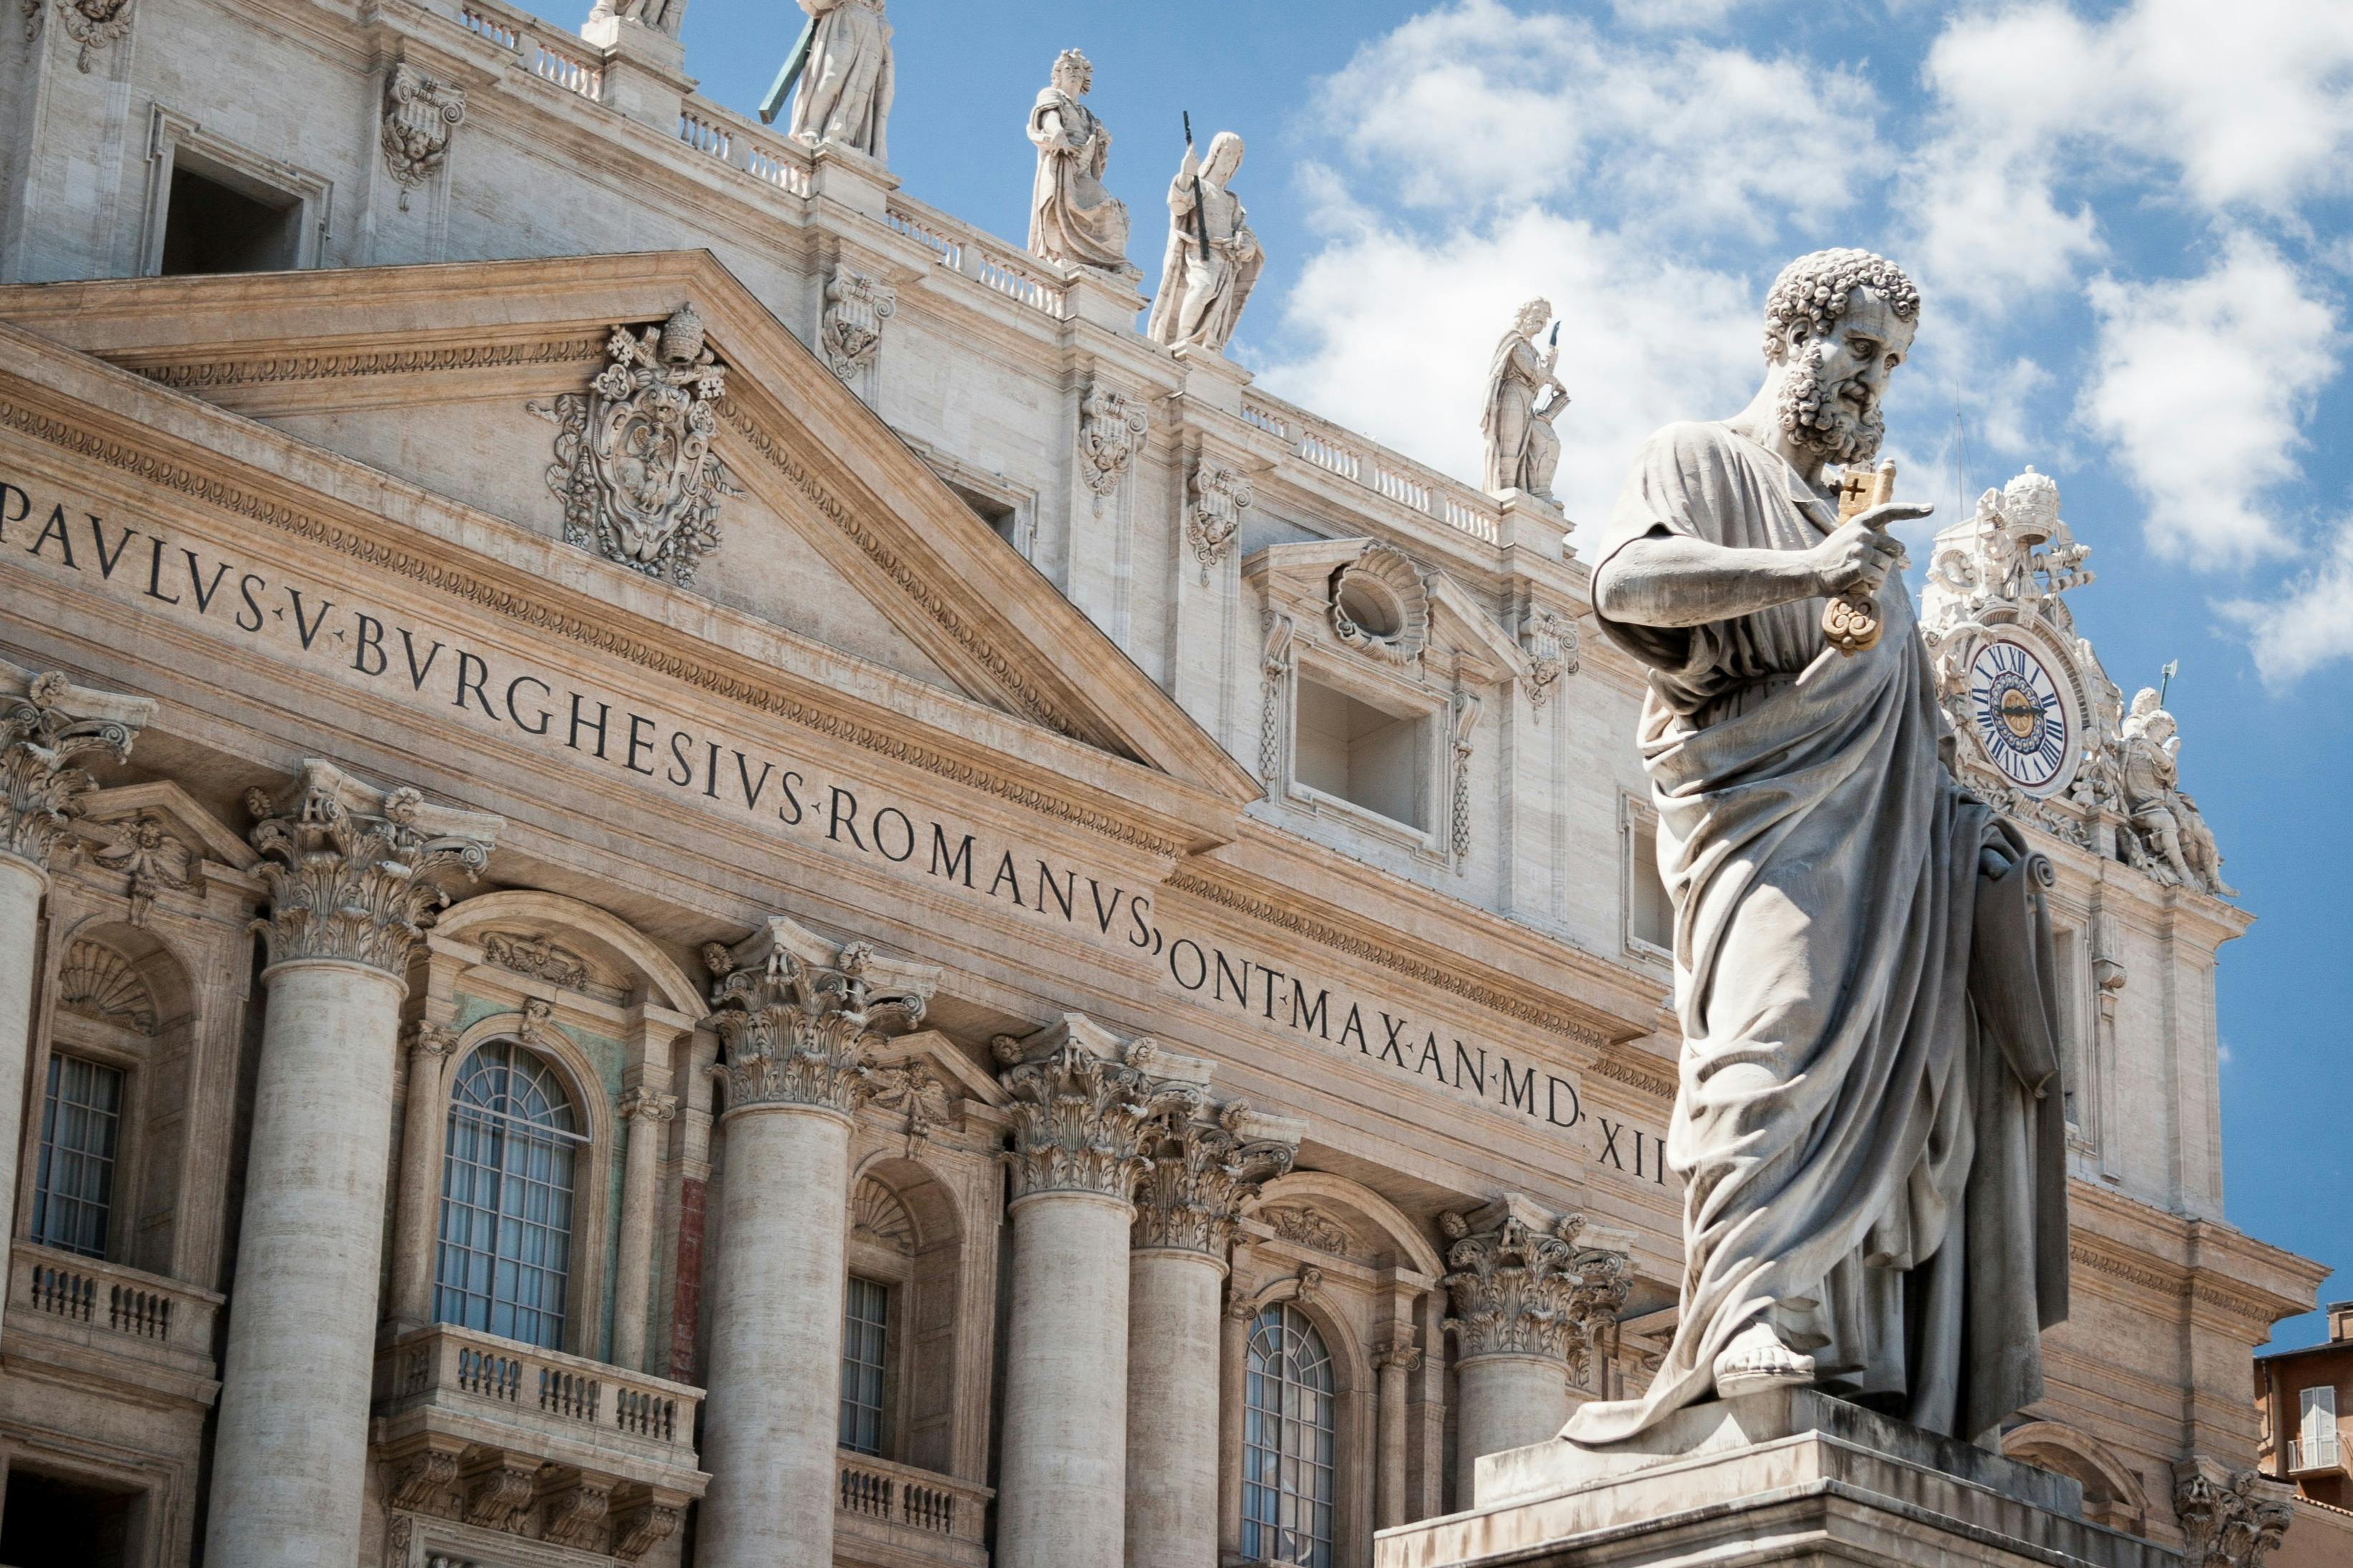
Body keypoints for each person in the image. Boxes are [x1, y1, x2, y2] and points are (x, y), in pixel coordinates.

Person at [1566, 248, 2069, 1449]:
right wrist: (1805, 566)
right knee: (1772, 1038)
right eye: (1854, 347)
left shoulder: (1861, 517)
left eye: (1890, 361)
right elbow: (1626, 581)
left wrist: (1976, 840)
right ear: (1787, 335)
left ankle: (1852, 1345)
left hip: (1896, 864)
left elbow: (1882, 706)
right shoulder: (1699, 459)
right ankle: (1746, 1305)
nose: (1870, 379)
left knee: (1891, 1111)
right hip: (1763, 821)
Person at [1145, 132, 1260, 353]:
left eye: (1236, 157)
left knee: (1214, 300)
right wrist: (1187, 173)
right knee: (1203, 287)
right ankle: (1182, 338)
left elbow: (1242, 230)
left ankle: (1202, 340)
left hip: (1224, 258)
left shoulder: (1231, 200)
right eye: (1227, 153)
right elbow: (1179, 206)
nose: (1230, 160)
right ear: (1215, 154)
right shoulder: (1200, 187)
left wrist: (1247, 245)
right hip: (1199, 252)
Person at [1026, 50, 1128, 271]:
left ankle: (1110, 263)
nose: (1073, 73)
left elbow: (1097, 152)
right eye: (1068, 69)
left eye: (1078, 70)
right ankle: (1065, 254)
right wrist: (1057, 132)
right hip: (1063, 163)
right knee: (1061, 210)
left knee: (1111, 209)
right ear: (1058, 74)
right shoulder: (1050, 94)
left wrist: (1101, 141)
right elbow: (1048, 117)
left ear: (1085, 78)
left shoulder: (1087, 114)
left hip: (1083, 170)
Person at [1481, 299, 1569, 497]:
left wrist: (1550, 365)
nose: (1541, 319)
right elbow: (1534, 373)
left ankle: (1522, 492)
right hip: (1512, 394)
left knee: (1530, 445)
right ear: (1524, 313)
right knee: (1510, 446)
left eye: (1545, 316)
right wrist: (1550, 373)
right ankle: (1504, 493)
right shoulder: (1514, 340)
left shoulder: (1533, 351)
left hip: (1527, 398)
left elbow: (1537, 381)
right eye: (1538, 312)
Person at [787, 0, 892, 162]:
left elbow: (880, 8)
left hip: (873, 29)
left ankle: (845, 136)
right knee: (831, 76)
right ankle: (813, 127)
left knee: (862, 88)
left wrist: (882, 22)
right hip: (845, 18)